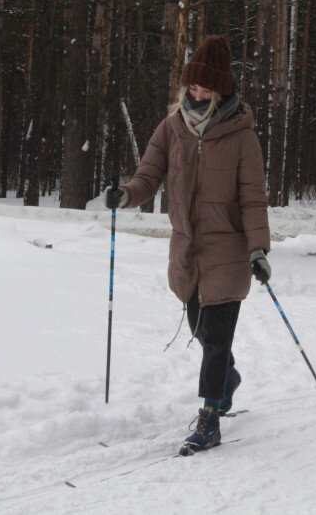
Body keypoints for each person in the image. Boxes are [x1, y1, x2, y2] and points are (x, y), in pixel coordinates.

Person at [101, 35, 271, 452]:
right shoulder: (171, 126)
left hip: (227, 249)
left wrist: (258, 249)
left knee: (215, 337)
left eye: (206, 89)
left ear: (222, 90)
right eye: (193, 86)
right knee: (200, 328)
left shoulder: (241, 135)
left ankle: (210, 418)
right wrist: (125, 195)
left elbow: (253, 197)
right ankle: (227, 377)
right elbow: (148, 177)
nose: (197, 94)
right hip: (187, 250)